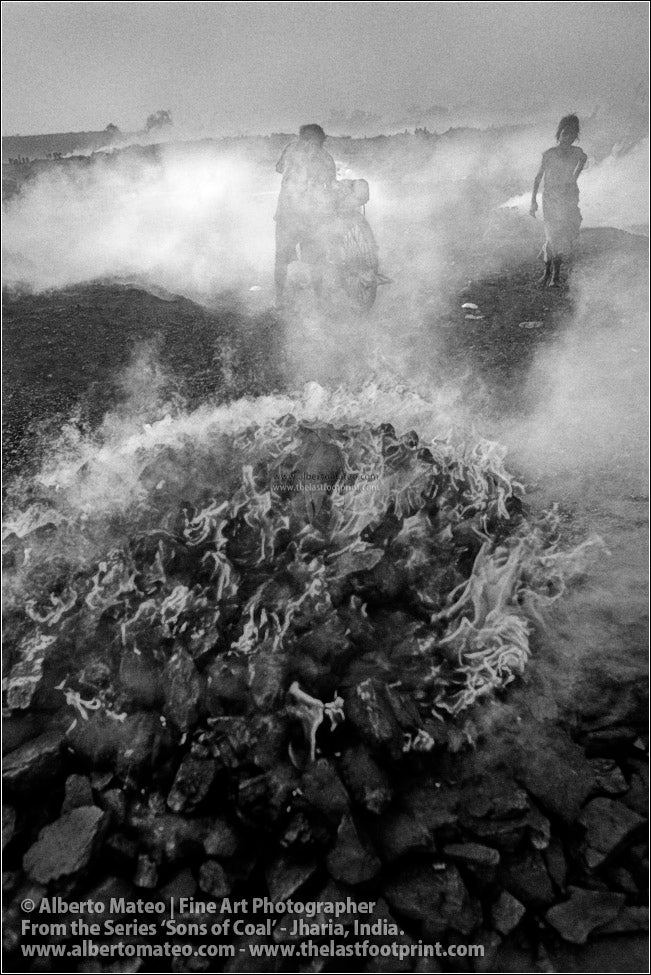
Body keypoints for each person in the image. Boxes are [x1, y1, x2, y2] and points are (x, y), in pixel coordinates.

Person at [274, 124, 337, 303]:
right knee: (316, 259)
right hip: (313, 215)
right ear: (322, 139)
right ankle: (319, 298)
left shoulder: (291, 149)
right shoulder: (325, 157)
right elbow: (331, 182)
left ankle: (279, 299)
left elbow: (278, 168)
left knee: (281, 257)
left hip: (286, 212)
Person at [530, 115, 587, 286]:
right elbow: (538, 178)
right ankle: (549, 273)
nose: (566, 137)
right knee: (552, 236)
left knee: (564, 237)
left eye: (570, 135)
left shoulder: (577, 152)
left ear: (574, 136)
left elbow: (583, 159)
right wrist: (533, 202)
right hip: (551, 199)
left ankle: (555, 273)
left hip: (568, 198)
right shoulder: (549, 154)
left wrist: (574, 178)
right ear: (559, 134)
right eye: (564, 133)